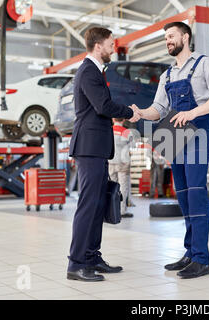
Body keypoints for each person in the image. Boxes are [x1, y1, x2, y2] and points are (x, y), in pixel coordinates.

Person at [134, 22, 209, 279]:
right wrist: (141, 113)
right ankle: (190, 253)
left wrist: (192, 112)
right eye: (165, 38)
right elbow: (159, 109)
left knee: (197, 195)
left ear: (185, 37)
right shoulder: (167, 75)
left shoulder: (205, 65)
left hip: (197, 135)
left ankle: (201, 259)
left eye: (171, 36)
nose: (168, 41)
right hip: (175, 140)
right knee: (184, 197)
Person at [67, 27, 141, 282]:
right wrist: (130, 112)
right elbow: (103, 106)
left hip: (96, 147)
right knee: (88, 205)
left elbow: (99, 108)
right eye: (110, 44)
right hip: (88, 148)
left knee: (98, 204)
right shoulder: (88, 71)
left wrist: (121, 112)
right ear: (98, 46)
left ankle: (91, 257)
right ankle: (76, 264)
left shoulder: (95, 71)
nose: (113, 48)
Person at [110, 118, 134, 218]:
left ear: (113, 119)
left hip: (110, 162)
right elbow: (132, 147)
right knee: (123, 187)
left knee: (111, 187)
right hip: (123, 163)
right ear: (123, 120)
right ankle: (122, 211)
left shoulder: (108, 130)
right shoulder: (127, 132)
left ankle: (111, 210)